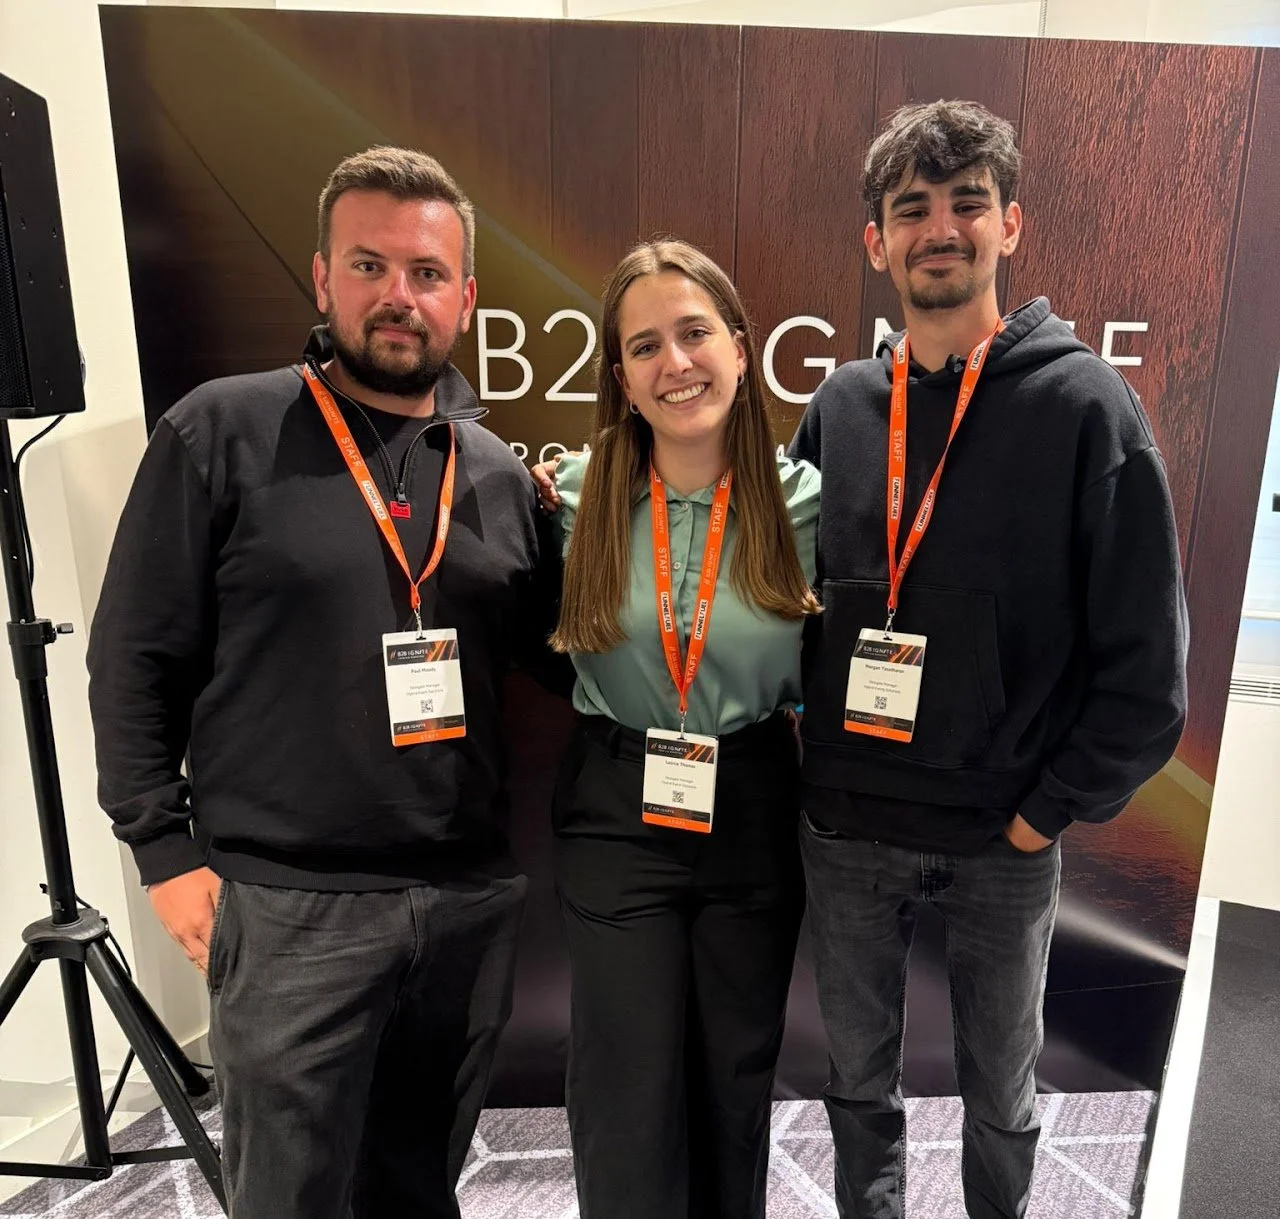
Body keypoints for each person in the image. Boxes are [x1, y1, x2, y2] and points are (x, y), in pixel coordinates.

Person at [87, 147, 538, 1219]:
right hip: (292, 906)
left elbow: (562, 655)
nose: (399, 295)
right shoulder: (221, 429)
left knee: (419, 1186)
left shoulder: (496, 474)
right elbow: (133, 653)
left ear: (464, 297)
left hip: (464, 899)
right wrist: (161, 846)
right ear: (321, 277)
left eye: (426, 273)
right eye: (369, 265)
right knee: (287, 1198)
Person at [789, 101, 1188, 1219]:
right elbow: (788, 602)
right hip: (848, 828)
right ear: (875, 241)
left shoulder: (1085, 408)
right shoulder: (838, 406)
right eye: (909, 209)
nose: (938, 229)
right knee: (853, 1081)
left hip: (1000, 837)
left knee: (998, 1088)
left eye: (965, 203)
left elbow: (1146, 673)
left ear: (1008, 222)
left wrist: (1040, 811)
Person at [542, 238, 820, 1219]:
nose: (676, 363)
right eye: (645, 344)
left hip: (747, 801)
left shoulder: (805, 504)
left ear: (742, 350)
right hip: (618, 806)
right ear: (618, 376)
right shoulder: (570, 497)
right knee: (626, 1088)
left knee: (733, 1076)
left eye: (695, 333)